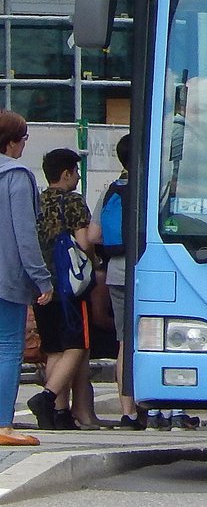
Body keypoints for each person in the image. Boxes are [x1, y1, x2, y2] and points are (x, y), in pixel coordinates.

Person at [28, 148, 101, 430]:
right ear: (67, 173)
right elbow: (84, 244)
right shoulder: (73, 202)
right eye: (76, 171)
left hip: (41, 283)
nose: (78, 176)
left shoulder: (38, 201)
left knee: (55, 349)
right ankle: (46, 398)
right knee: (77, 346)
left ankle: (58, 413)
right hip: (70, 286)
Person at [0, 111, 52, 446]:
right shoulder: (16, 175)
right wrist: (41, 279)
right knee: (6, 348)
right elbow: (24, 235)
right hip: (5, 279)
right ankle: (3, 424)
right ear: (12, 142)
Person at [88, 134, 145, 430]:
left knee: (124, 342)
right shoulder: (148, 188)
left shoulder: (111, 190)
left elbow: (93, 236)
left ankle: (128, 412)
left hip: (115, 272)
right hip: (145, 272)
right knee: (149, 339)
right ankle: (161, 408)